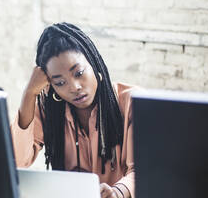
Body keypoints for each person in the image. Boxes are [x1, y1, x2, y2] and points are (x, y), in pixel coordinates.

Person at [11, 22, 137, 198]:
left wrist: (117, 192)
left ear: (93, 63)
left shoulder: (132, 102)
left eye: (78, 73)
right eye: (60, 83)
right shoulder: (50, 110)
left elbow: (145, 170)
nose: (74, 87)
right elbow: (15, 163)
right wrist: (29, 95)